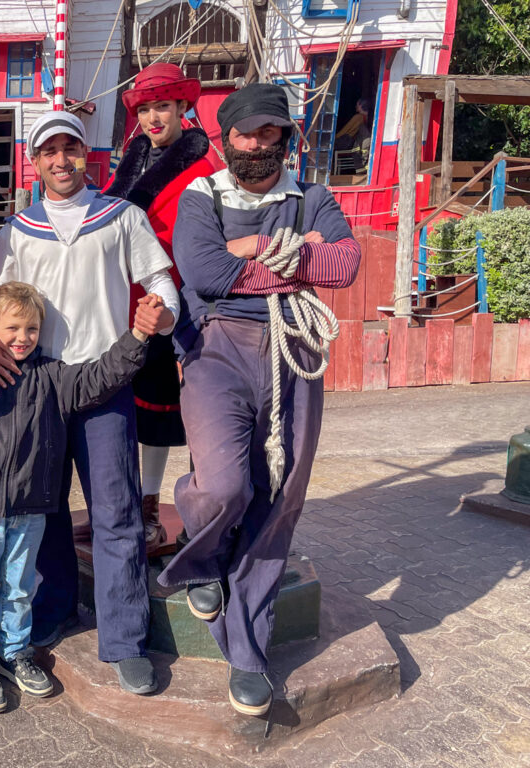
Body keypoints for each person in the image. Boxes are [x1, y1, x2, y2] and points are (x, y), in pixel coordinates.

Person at [158, 83, 361, 716]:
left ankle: (247, 650)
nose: (255, 144)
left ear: (285, 137)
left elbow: (345, 266)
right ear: (227, 140)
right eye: (244, 134)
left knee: (282, 493)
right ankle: (204, 557)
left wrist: (248, 253)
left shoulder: (312, 195)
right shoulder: (203, 196)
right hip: (216, 350)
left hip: (293, 347)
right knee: (223, 485)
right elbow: (204, 273)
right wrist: (295, 251)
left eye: (268, 132)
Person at [0, 111, 179, 695]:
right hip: (37, 384)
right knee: (43, 511)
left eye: (70, 148)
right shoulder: (17, 230)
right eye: (49, 151)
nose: (60, 160)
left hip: (104, 380)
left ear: (86, 156)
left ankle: (125, 640)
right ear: (35, 161)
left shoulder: (120, 217)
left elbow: (161, 282)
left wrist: (162, 314)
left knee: (116, 513)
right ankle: (55, 610)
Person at [0, 282, 166, 712]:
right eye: (12, 328)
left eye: (32, 329)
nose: (22, 338)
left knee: (20, 586)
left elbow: (99, 377)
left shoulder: (53, 376)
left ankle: (15, 653)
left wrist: (136, 337)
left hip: (30, 507)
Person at [87, 62, 214, 552]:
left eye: (162, 106)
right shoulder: (131, 162)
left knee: (161, 412)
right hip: (119, 301)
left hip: (169, 301)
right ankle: (121, 507)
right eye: (144, 109)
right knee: (119, 408)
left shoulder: (204, 172)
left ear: (183, 107)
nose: (153, 118)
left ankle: (151, 508)